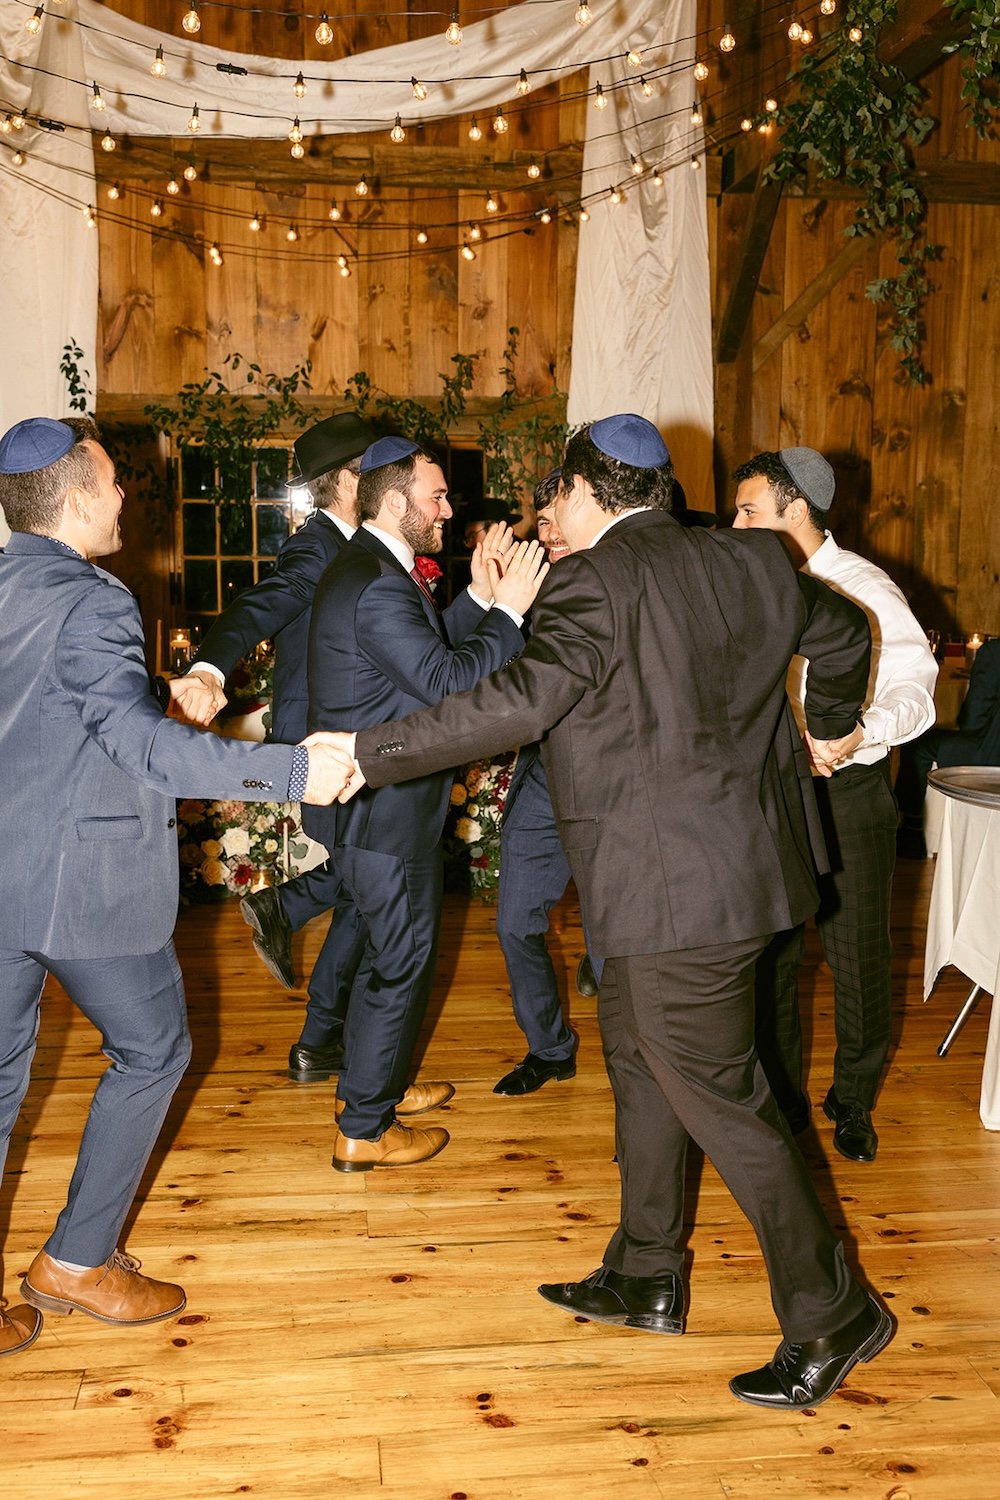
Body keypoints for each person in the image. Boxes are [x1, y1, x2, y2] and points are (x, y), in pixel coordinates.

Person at [325, 413, 895, 1411]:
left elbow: (515, 702)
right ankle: (644, 1270)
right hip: (736, 878)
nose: (550, 516)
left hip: (679, 897)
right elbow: (848, 632)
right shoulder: (754, 560)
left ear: (587, 494)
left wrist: (364, 753)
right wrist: (834, 724)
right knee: (639, 1063)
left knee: (729, 1107)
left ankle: (833, 1310)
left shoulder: (592, 580)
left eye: (555, 499)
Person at [0, 417, 353, 1358]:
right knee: (153, 1052)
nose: (124, 496)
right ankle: (78, 1262)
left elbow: (59, 715)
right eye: (113, 483)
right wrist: (288, 773)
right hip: (87, 888)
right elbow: (134, 745)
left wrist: (159, 691)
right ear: (75, 499)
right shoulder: (97, 600)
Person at [305, 435, 548, 1172]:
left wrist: (477, 598)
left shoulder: (369, 569)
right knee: (399, 963)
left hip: (369, 807)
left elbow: (420, 654)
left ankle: (376, 1086)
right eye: (436, 497)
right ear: (393, 501)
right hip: (385, 812)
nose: (449, 510)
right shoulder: (378, 580)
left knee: (391, 957)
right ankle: (366, 1126)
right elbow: (445, 682)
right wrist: (509, 612)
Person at [732, 449, 936, 1162]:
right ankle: (784, 1103)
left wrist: (861, 733)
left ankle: (852, 1100)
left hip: (848, 795)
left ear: (797, 512)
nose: (737, 523)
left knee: (856, 959)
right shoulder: (754, 581)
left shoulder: (865, 588)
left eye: (749, 510)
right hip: (775, 793)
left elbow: (916, 692)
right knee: (776, 956)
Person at [170, 412, 376, 1085]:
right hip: (325, 741)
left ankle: (290, 933)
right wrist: (207, 669)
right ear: (349, 480)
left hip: (354, 735)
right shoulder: (318, 546)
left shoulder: (363, 542)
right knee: (372, 880)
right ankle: (317, 1035)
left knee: (368, 880)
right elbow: (263, 603)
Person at [493, 469, 603, 1096]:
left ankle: (639, 1076)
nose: (551, 531)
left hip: (613, 786)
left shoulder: (627, 577)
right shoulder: (528, 590)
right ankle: (550, 1047)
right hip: (544, 779)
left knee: (616, 938)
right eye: (543, 520)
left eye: (562, 516)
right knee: (515, 923)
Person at [895, 637, 1000, 857]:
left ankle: (912, 829)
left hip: (989, 758)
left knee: (916, 744)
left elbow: (973, 723)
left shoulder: (994, 651)